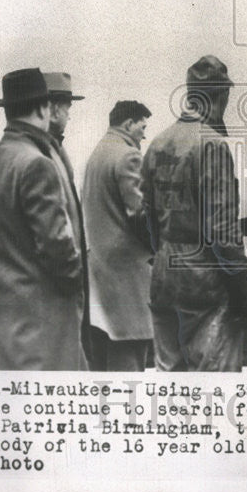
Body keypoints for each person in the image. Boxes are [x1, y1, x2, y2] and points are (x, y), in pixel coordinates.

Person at [142, 56, 247, 372]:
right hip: (203, 287)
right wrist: (243, 293)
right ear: (221, 96)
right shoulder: (211, 145)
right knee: (215, 391)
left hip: (162, 280)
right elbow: (222, 232)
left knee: (170, 388)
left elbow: (147, 221)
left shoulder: (157, 143)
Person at [0, 68, 86, 370]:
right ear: (43, 108)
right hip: (41, 333)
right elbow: (58, 248)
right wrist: (76, 283)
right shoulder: (37, 163)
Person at [84, 100, 154, 371]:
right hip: (128, 277)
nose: (144, 135)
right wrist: (158, 249)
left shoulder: (96, 154)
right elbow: (139, 215)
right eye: (142, 127)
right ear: (128, 124)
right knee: (130, 363)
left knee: (102, 364)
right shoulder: (127, 155)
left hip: (99, 274)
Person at [44, 71, 92, 363]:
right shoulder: (45, 154)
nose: (69, 116)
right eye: (67, 108)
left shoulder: (54, 148)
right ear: (52, 109)